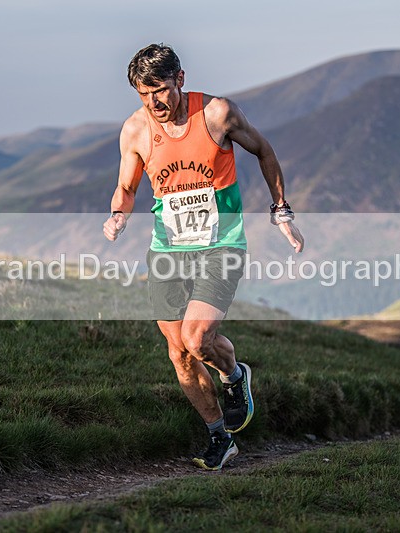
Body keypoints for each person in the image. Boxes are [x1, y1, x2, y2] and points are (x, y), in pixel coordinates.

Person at [103, 43, 304, 470]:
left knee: (197, 340)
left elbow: (265, 151)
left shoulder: (217, 114)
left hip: (221, 245)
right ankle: (220, 437)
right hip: (168, 250)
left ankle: (234, 376)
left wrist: (281, 211)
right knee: (178, 352)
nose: (153, 102)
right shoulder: (135, 130)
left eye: (160, 90)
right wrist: (118, 215)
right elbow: (127, 185)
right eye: (143, 94)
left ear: (180, 79)